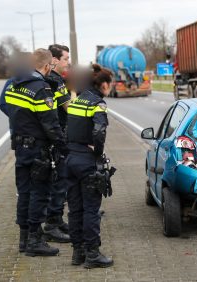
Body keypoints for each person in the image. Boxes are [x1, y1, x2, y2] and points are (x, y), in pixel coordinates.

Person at [5, 48, 66, 256]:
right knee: (39, 194)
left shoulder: (14, 85)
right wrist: (63, 146)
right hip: (38, 150)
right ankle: (34, 240)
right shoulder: (41, 89)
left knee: (24, 193)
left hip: (20, 147)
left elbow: (8, 109)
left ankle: (24, 239)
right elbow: (51, 124)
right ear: (48, 66)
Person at [65, 64, 114, 268]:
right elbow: (99, 131)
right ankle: (93, 254)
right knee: (91, 210)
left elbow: (68, 129)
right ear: (104, 85)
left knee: (75, 209)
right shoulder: (97, 103)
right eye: (110, 85)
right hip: (86, 161)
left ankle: (78, 253)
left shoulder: (77, 101)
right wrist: (96, 151)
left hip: (70, 160)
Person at [41, 44, 72, 243]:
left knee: (58, 180)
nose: (68, 62)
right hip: (57, 137)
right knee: (59, 181)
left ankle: (57, 220)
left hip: (51, 136)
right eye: (65, 59)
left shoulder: (47, 78)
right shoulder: (54, 80)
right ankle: (52, 224)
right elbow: (69, 107)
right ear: (54, 60)